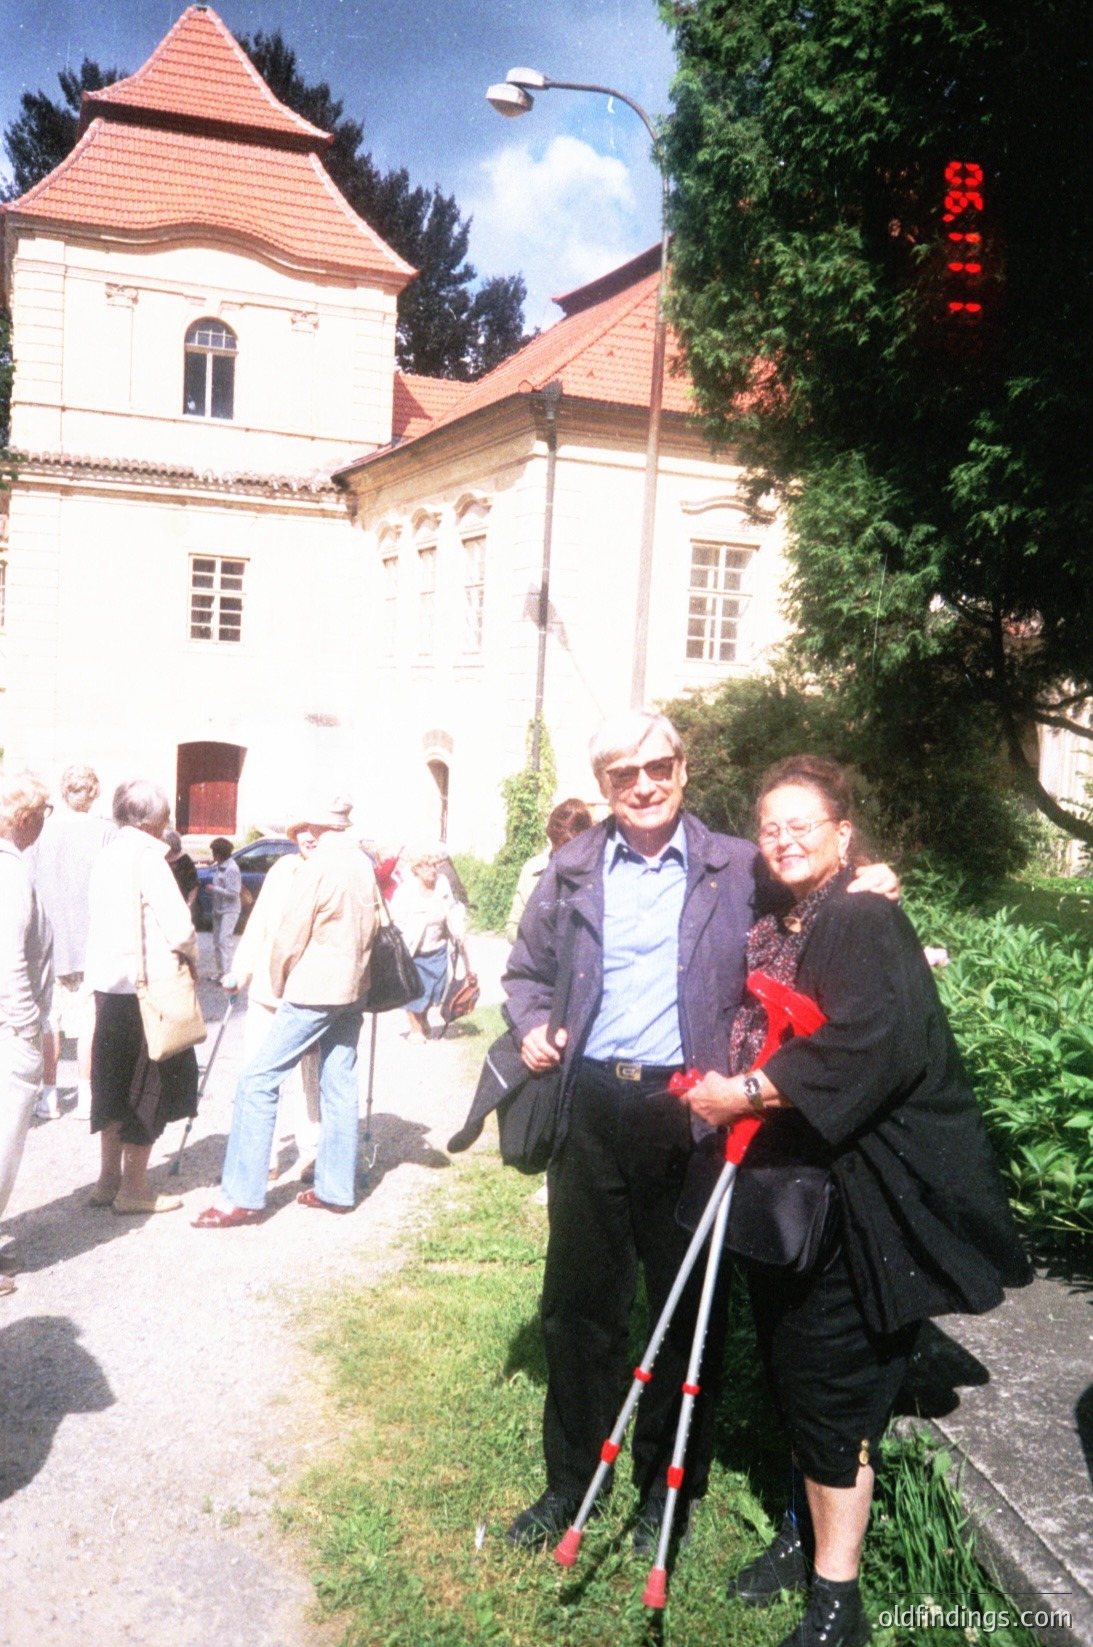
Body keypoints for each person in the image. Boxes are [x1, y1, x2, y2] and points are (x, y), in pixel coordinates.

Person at [502, 711, 898, 1553]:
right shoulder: (572, 869)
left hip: (690, 1110)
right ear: (603, 787)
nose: (641, 784)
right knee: (576, 1306)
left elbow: (811, 890)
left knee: (686, 1309)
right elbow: (525, 968)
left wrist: (870, 878)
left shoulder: (735, 863)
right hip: (591, 1108)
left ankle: (663, 1493)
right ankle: (568, 1480)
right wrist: (532, 1018)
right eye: (621, 774)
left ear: (682, 770)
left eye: (656, 766)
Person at [679, 756, 1030, 1647]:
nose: (784, 837)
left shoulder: (862, 917)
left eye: (805, 822)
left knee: (832, 1391)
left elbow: (866, 1045)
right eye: (771, 825)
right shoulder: (788, 912)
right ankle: (803, 1537)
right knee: (799, 1373)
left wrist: (743, 1093)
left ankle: (838, 1603)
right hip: (793, 1190)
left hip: (857, 1197)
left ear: (844, 833)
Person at [192, 796, 379, 1227]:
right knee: (338, 1081)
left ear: (320, 824)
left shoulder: (317, 867)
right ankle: (336, 1189)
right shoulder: (361, 864)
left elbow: (289, 938)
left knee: (258, 1079)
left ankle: (241, 1197)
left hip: (313, 990)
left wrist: (275, 982)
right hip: (353, 989)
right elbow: (376, 928)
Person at [83, 780, 199, 1215]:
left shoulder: (106, 854)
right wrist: (193, 963)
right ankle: (134, 1188)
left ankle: (106, 1180)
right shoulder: (150, 859)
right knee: (148, 1085)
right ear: (156, 821)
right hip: (146, 988)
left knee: (110, 1083)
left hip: (108, 986)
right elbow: (182, 928)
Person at [220, 815, 320, 1183]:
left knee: (312, 1078)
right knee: (259, 1072)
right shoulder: (282, 870)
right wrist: (240, 971)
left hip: (310, 995)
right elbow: (258, 924)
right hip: (266, 989)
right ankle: (264, 1157)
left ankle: (312, 1153)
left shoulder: (333, 871)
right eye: (302, 831)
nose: (309, 837)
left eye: (317, 831)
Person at [25, 763, 115, 1119]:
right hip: (89, 941)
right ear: (94, 792)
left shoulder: (41, 831)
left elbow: (27, 886)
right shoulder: (106, 832)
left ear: (64, 793)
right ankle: (86, 1095)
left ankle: (48, 1094)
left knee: (50, 1022)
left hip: (47, 942)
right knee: (88, 1023)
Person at [0, 773, 53, 1295]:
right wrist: (27, 1028)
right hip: (7, 1028)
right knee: (2, 1144)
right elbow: (9, 960)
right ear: (24, 819)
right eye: (42, 815)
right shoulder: (10, 872)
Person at [390, 849, 468, 1042]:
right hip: (414, 951)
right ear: (417, 868)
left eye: (435, 865)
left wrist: (459, 932)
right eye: (428, 865)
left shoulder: (442, 884)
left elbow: (452, 908)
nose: (433, 869)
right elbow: (397, 921)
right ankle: (415, 1029)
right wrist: (397, 949)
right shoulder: (406, 890)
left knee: (435, 990)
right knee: (415, 991)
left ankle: (423, 1019)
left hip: (438, 948)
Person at [504, 798, 594, 944]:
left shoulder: (600, 873)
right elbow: (512, 929)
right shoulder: (532, 870)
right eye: (557, 849)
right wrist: (539, 940)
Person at [208, 836, 242, 982]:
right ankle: (220, 971)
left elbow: (234, 893)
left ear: (219, 854)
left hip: (230, 909)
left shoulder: (231, 869)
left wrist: (214, 889)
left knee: (224, 941)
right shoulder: (220, 865)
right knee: (217, 942)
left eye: (214, 852)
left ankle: (228, 973)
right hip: (219, 909)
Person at [163, 829, 199, 914]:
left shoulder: (185, 861)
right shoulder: (160, 858)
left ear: (171, 844)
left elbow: (194, 885)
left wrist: (189, 905)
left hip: (181, 904)